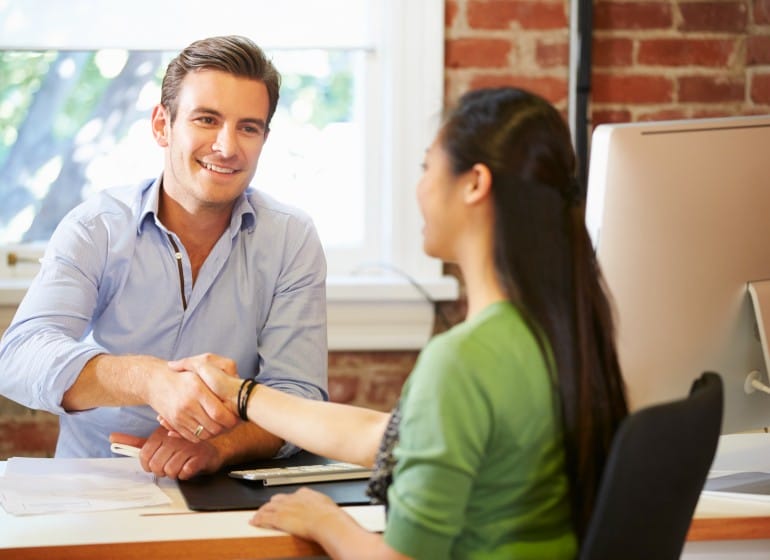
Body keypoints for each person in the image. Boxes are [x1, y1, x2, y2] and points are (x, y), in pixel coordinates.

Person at [170, 87, 629, 558]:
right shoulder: (553, 335)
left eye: (428, 167)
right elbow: (384, 436)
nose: (421, 187)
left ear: (474, 183)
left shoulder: (462, 362)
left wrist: (328, 522)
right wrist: (240, 394)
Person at [0, 35, 328, 479]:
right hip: (93, 483)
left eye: (248, 128)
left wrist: (219, 447)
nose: (227, 146)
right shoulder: (96, 227)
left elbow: (299, 397)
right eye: (207, 119)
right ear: (162, 125)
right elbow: (19, 356)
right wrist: (151, 380)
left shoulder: (292, 238)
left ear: (264, 139)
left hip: (223, 486)